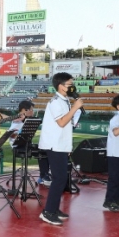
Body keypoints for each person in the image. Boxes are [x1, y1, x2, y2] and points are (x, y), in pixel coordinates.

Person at [37, 72, 83, 226]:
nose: (72, 87)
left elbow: (66, 126)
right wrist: (76, 107)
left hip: (61, 145)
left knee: (61, 178)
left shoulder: (65, 100)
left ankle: (54, 209)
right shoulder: (56, 102)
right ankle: (48, 212)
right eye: (69, 84)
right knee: (59, 179)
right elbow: (62, 122)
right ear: (60, 86)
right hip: (54, 145)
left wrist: (67, 146)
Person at [8, 100, 51, 186]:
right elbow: (11, 135)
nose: (33, 112)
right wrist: (19, 134)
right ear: (24, 110)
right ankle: (43, 177)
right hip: (18, 146)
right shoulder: (17, 120)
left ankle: (44, 175)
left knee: (45, 148)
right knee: (42, 151)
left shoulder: (27, 120)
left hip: (26, 144)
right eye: (31, 110)